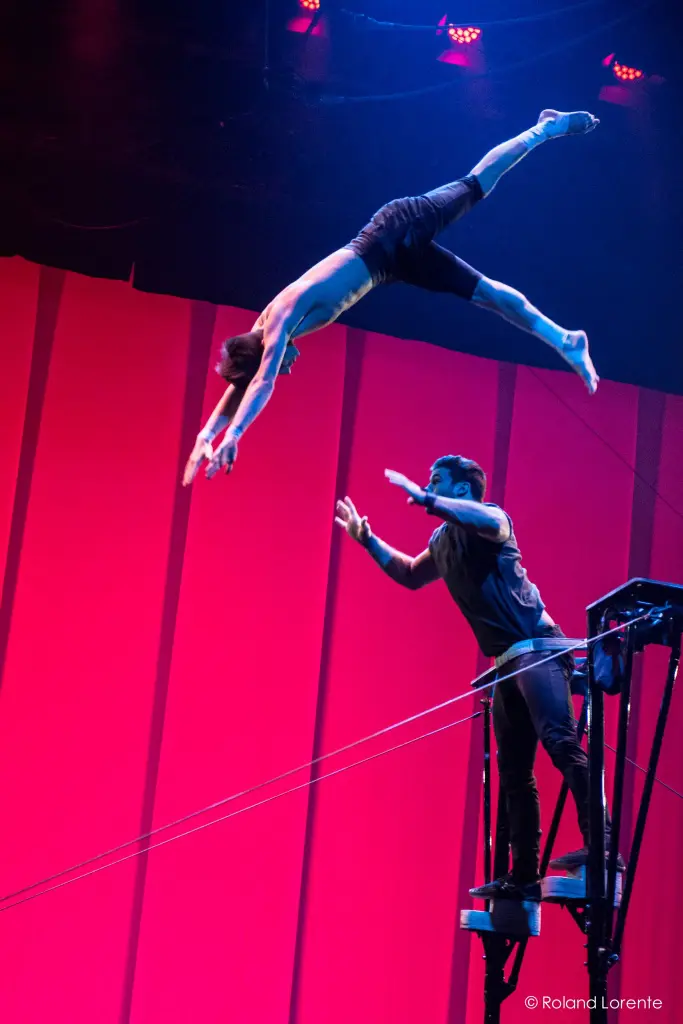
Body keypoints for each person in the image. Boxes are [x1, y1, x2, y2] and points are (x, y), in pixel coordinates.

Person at [183, 110, 600, 485]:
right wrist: (206, 434)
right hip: (392, 267)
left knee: (476, 185)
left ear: (264, 356)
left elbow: (262, 381)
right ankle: (564, 338)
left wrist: (235, 434)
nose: (288, 370)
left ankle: (546, 127)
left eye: (275, 368)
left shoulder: (279, 324)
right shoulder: (266, 331)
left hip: (393, 231)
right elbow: (241, 385)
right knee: (486, 295)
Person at [334, 456, 623, 900]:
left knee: (561, 742)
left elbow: (485, 517)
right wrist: (368, 540)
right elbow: (411, 574)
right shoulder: (445, 541)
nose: (427, 485)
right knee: (513, 771)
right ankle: (524, 876)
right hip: (506, 662)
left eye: (437, 481)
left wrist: (429, 499)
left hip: (539, 649)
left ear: (463, 490)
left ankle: (604, 849)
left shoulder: (492, 522)